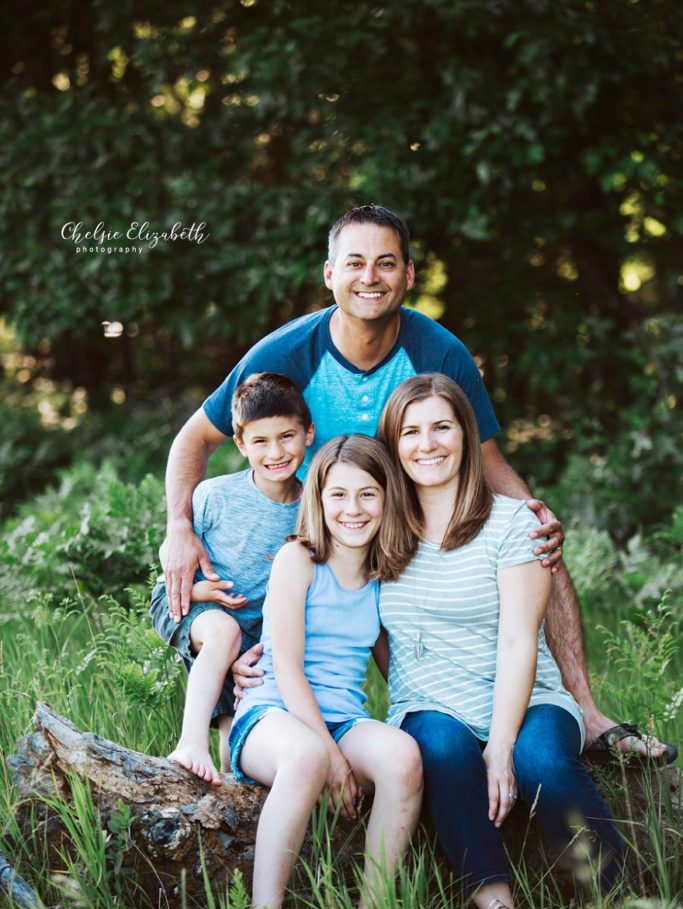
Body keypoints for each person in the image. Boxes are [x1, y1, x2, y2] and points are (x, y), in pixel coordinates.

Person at [162, 202, 672, 763]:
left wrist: (530, 508)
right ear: (330, 274)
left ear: (408, 275)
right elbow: (194, 439)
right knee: (241, 613)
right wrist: (179, 527)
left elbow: (486, 455)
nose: (369, 277)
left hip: (397, 515)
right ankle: (234, 732)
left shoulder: (438, 350)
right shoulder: (289, 351)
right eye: (354, 263)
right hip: (312, 518)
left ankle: (588, 714)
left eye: (385, 263)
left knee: (536, 535)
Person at [376, 374, 630, 909]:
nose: (427, 444)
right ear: (393, 443)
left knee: (543, 758)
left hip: (528, 694)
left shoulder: (515, 523)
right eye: (410, 431)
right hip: (430, 700)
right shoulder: (378, 527)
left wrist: (501, 747)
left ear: (467, 434)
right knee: (438, 747)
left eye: (442, 426)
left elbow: (521, 642)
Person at [227, 434, 423, 909]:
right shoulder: (299, 561)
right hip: (273, 714)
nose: (352, 509)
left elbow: (395, 667)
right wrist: (333, 757)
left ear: (387, 499)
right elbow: (287, 668)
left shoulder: (384, 575)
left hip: (342, 718)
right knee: (309, 758)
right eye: (338, 495)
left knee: (403, 756)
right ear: (318, 499)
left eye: (367, 494)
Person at [150, 373, 315, 783]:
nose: (275, 452)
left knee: (237, 739)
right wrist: (196, 589)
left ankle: (228, 799)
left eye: (287, 436)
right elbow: (173, 557)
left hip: (256, 636)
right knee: (224, 633)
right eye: (260, 441)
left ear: (308, 434)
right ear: (240, 445)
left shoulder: (314, 508)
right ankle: (189, 743)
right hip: (189, 603)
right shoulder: (214, 496)